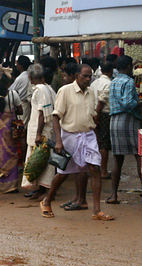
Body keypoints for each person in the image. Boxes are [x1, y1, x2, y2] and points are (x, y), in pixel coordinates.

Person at [40, 64, 113, 221]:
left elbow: (93, 113)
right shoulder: (65, 91)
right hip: (70, 137)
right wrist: (59, 141)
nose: (88, 79)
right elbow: (55, 117)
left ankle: (97, 211)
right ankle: (47, 201)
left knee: (94, 168)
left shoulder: (92, 92)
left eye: (90, 76)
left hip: (88, 136)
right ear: (76, 75)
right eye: (85, 76)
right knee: (63, 173)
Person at [107, 56, 142, 204]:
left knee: (117, 159)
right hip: (128, 120)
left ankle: (113, 195)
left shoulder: (113, 82)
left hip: (114, 121)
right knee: (139, 155)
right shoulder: (129, 81)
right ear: (127, 66)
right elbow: (127, 103)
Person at [23, 64, 57, 199]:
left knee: (43, 160)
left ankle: (46, 190)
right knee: (39, 159)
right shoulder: (47, 88)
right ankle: (40, 189)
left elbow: (42, 113)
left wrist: (38, 134)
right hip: (43, 130)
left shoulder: (40, 90)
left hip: (42, 131)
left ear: (30, 78)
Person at [0, 75, 23, 195]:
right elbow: (20, 110)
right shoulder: (13, 94)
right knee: (12, 156)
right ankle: (12, 186)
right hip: (10, 132)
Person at [90, 60, 114, 179]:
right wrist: (97, 116)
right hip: (103, 114)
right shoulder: (108, 83)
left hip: (94, 113)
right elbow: (101, 101)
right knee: (104, 144)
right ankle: (103, 171)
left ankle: (97, 168)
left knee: (97, 142)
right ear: (110, 71)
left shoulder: (95, 83)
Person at [10, 55, 32, 122]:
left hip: (22, 104)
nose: (16, 65)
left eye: (18, 64)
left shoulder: (21, 78)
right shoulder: (28, 75)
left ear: (21, 65)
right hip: (26, 104)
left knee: (22, 125)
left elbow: (11, 90)